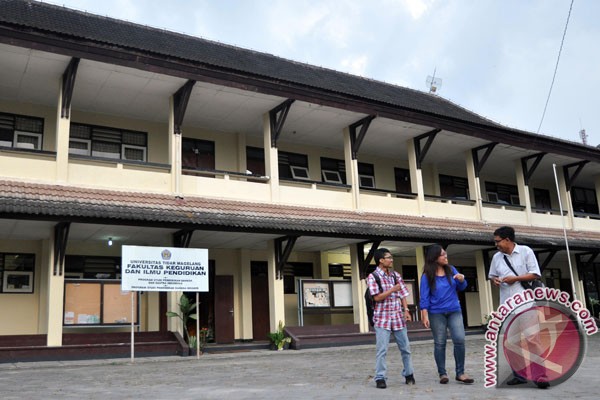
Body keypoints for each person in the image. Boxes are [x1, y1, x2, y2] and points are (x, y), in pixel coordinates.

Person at [488, 225, 549, 389]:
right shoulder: (496, 258)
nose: (496, 245)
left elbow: (535, 274)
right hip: (507, 306)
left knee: (532, 340)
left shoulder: (525, 251)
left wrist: (515, 278)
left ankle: (541, 376)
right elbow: (492, 276)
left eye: (498, 241)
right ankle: (519, 375)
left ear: (507, 239)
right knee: (511, 342)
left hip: (526, 304)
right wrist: (494, 280)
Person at [419, 244, 474, 385]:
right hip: (436, 313)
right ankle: (442, 373)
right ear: (434, 257)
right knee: (440, 343)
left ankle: (460, 373)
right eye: (442, 254)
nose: (445, 256)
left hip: (454, 310)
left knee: (459, 339)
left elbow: (462, 287)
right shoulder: (427, 276)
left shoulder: (451, 270)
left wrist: (462, 280)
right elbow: (424, 296)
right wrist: (424, 315)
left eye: (445, 254)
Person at [367, 247, 415, 389]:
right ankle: (380, 377)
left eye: (391, 257)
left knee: (405, 348)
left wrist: (406, 309)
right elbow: (377, 297)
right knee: (382, 350)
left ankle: (409, 374)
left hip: (398, 318)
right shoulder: (373, 277)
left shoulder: (396, 275)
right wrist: (392, 290)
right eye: (388, 257)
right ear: (381, 260)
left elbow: (403, 294)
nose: (391, 260)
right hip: (382, 319)